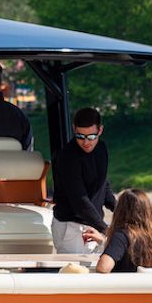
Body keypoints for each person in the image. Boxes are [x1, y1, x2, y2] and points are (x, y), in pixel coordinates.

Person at [50, 107, 116, 253]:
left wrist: (119, 209)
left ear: (100, 130)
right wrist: (106, 229)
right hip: (70, 226)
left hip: (94, 224)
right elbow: (79, 202)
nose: (86, 142)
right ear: (74, 129)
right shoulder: (68, 157)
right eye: (80, 136)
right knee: (76, 274)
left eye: (91, 136)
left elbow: (102, 184)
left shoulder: (101, 149)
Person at [83, 188, 152, 273]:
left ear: (120, 210)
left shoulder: (122, 235)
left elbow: (103, 267)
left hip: (124, 285)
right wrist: (103, 241)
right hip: (149, 284)